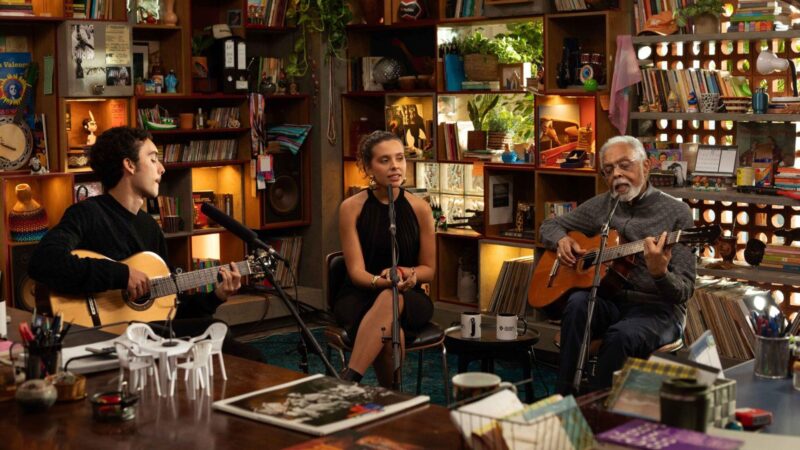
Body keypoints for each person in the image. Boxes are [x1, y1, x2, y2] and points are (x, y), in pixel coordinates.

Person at [28, 126, 263, 362]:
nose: (161, 168)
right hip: (98, 336)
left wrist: (216, 296)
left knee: (233, 344)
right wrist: (122, 274)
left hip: (146, 338)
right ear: (129, 165)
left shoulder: (150, 228)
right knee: (221, 335)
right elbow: (43, 261)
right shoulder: (87, 214)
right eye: (153, 159)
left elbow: (169, 309)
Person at [539, 135, 696, 394]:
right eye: (609, 170)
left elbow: (685, 289)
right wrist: (562, 240)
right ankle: (564, 395)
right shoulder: (603, 205)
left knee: (619, 337)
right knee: (578, 303)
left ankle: (601, 411)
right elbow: (550, 225)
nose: (617, 174)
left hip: (657, 310)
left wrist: (660, 274)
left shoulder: (677, 213)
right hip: (610, 300)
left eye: (625, 165)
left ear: (646, 166)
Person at [335, 131, 435, 387]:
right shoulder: (351, 208)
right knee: (392, 332)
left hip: (409, 296)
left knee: (392, 298)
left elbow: (429, 270)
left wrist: (406, 274)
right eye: (385, 160)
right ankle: (391, 397)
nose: (395, 166)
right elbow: (356, 271)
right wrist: (383, 282)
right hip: (361, 294)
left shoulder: (421, 208)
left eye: (400, 158)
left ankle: (349, 380)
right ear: (368, 167)